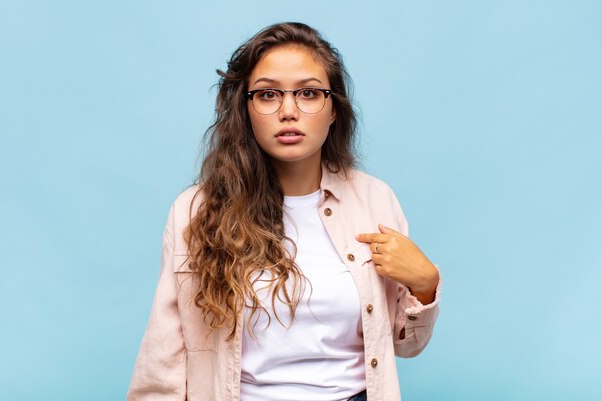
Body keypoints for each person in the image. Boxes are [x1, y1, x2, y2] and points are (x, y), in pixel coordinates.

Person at [127, 22, 441, 401]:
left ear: (333, 110)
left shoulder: (375, 200)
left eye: (309, 93)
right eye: (268, 94)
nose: (288, 111)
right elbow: (164, 357)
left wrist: (424, 286)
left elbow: (402, 345)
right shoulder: (195, 211)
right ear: (246, 108)